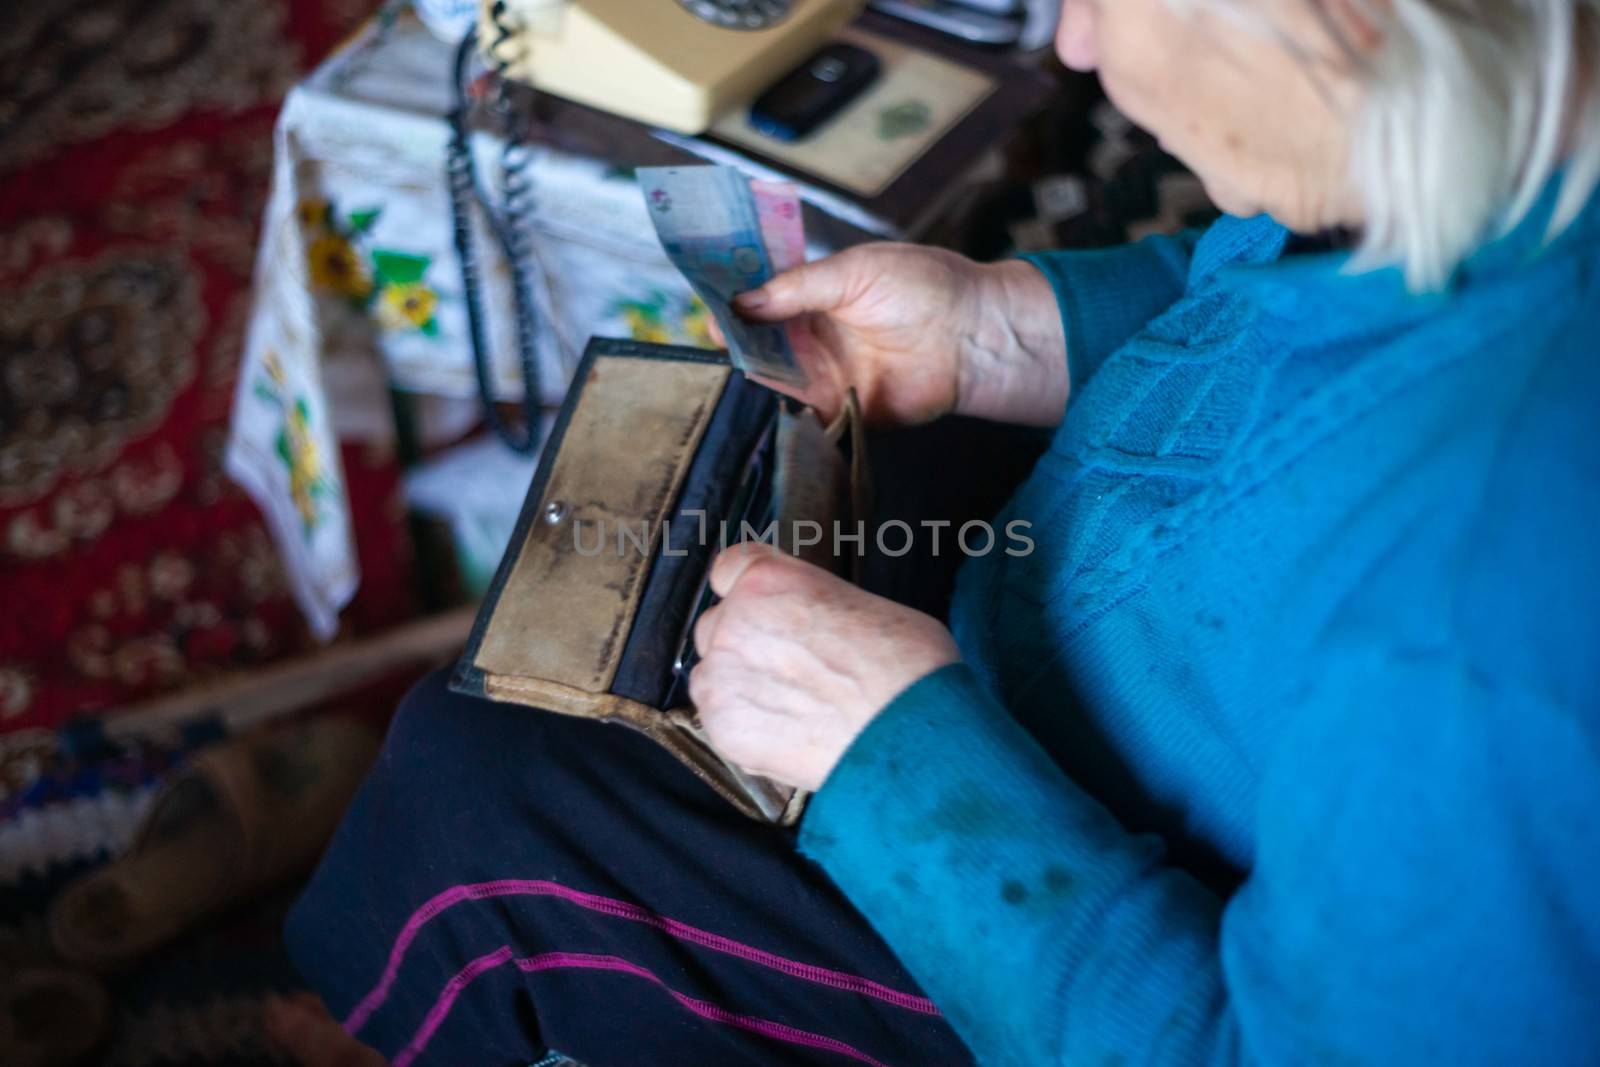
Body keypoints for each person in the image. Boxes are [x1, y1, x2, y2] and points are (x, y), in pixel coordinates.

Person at [285, 0, 1600, 1063]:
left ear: (1347, 22)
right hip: (1162, 625)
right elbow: (1267, 289)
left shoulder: (1484, 635)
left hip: (1104, 933)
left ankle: (399, 997)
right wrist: (1005, 330)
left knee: (485, 790)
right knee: (865, 443)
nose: (1075, 41)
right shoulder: (1518, 143)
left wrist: (894, 758)